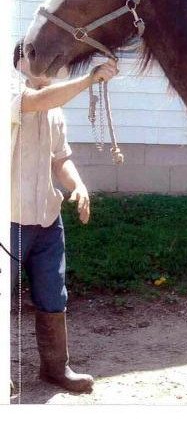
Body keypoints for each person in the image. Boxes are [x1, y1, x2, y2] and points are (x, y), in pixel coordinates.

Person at [11, 40, 118, 393]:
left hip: (47, 220)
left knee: (53, 296)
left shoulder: (55, 109)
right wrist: (89, 79)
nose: (48, 62)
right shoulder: (11, 91)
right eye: (36, 55)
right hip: (8, 219)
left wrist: (78, 185)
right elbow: (39, 101)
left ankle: (56, 368)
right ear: (21, 63)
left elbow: (61, 158)